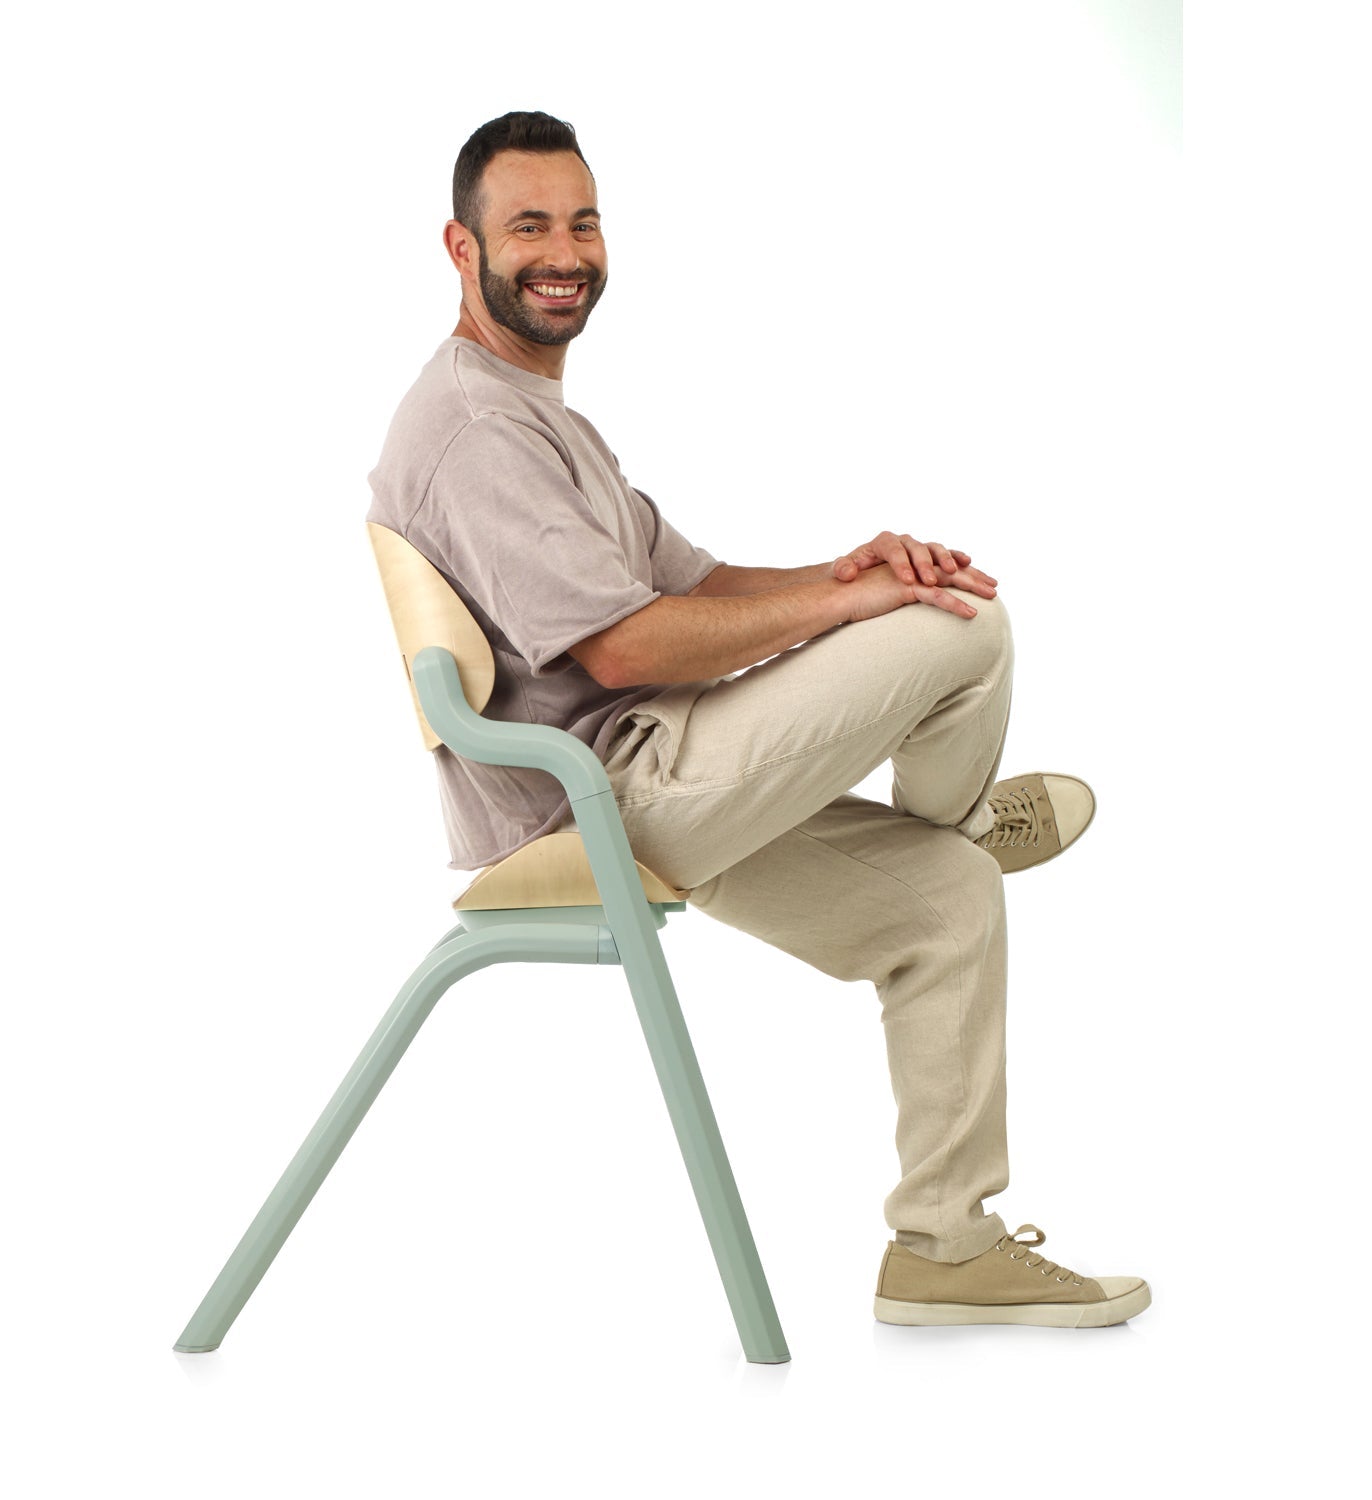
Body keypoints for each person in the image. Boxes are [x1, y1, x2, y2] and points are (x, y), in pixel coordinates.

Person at [367, 111, 1150, 1328]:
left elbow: (695, 585)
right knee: (966, 626)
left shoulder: (535, 413)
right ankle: (958, 813)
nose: (564, 252)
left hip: (663, 772)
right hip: (611, 793)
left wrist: (847, 573)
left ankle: (944, 1249)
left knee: (948, 899)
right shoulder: (475, 428)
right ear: (461, 249)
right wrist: (857, 610)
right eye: (529, 227)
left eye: (583, 222)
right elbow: (625, 645)